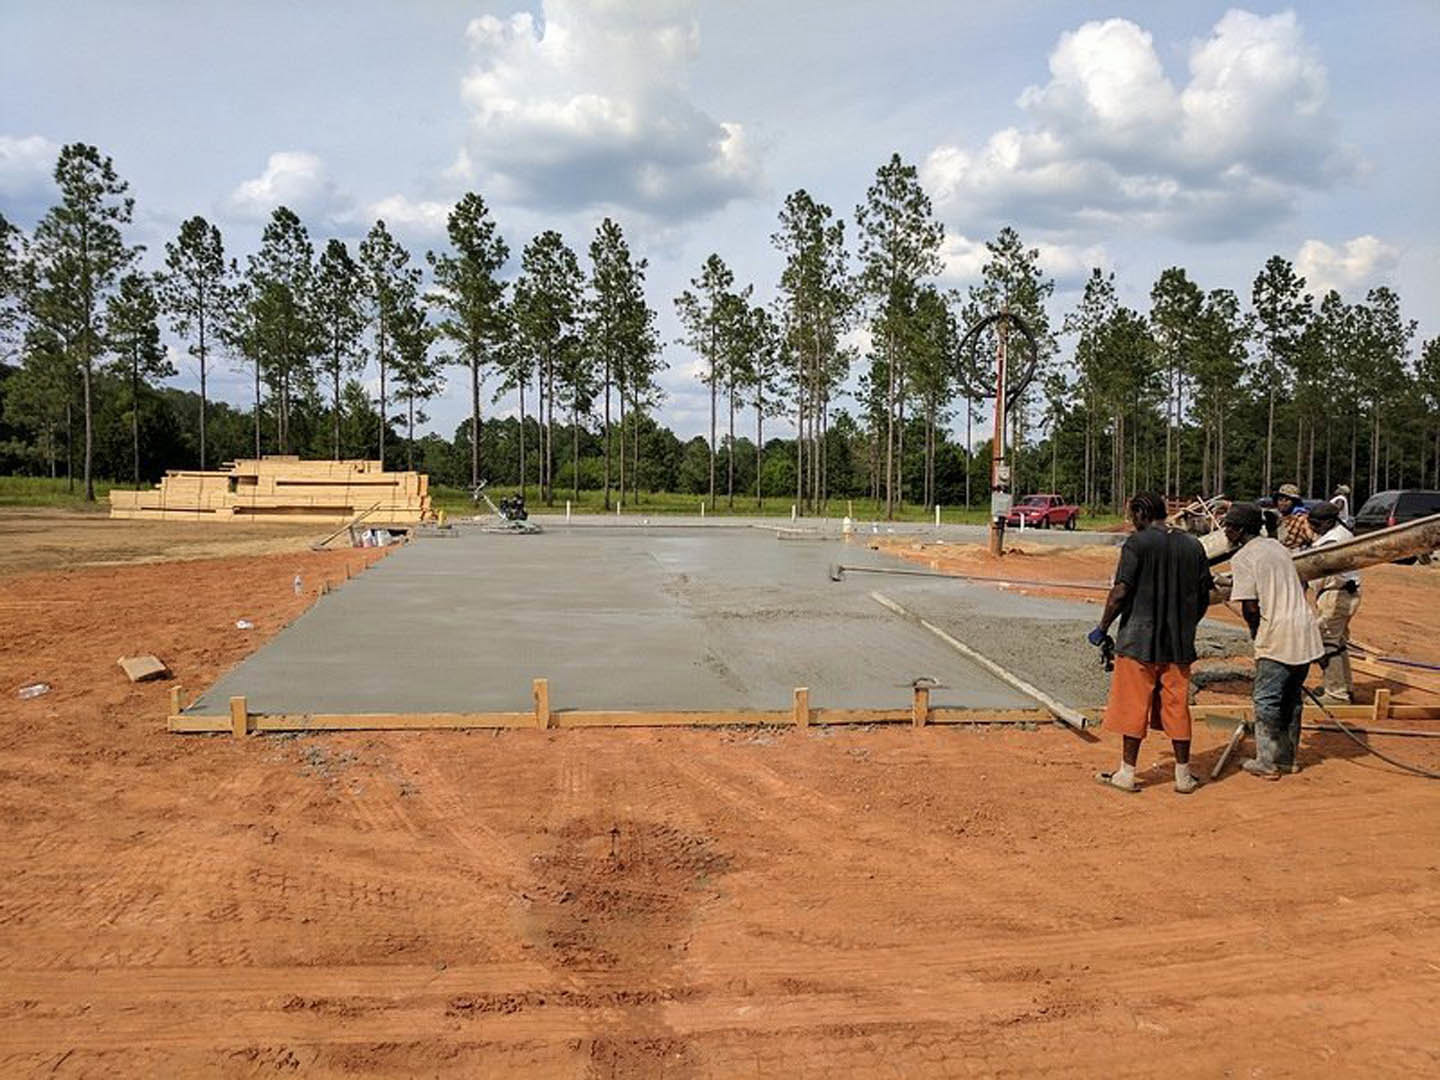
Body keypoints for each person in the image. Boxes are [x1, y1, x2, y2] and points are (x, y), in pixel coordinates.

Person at [1089, 492, 1214, 794]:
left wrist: (1102, 627)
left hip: (1138, 641)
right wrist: (1187, 625)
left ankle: (1127, 774)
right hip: (1178, 645)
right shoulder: (1193, 545)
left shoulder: (1137, 543)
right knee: (1177, 707)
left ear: (1142, 514)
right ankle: (1183, 776)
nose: (1132, 523)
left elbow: (1121, 592)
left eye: (1133, 516)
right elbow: (1204, 596)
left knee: (1133, 706)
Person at [1222, 502, 1324, 779]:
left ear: (1241, 529)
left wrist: (1256, 633)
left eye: (1229, 525)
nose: (1226, 530)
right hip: (1304, 628)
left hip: (1278, 633)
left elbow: (1251, 607)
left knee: (1266, 699)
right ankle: (1287, 759)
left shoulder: (1243, 557)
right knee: (1292, 698)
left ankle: (1266, 762)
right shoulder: (1278, 547)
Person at [1307, 500, 1360, 703]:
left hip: (1337, 594)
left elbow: (1318, 569)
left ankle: (1336, 694)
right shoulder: (1338, 534)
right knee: (1337, 642)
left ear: (1329, 522)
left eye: (1316, 523)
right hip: (1341, 593)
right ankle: (1345, 687)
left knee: (1325, 641)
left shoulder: (1333, 541)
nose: (1313, 527)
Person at [1274, 483, 1315, 550]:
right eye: (1280, 499)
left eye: (1287, 500)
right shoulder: (1279, 519)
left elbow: (1312, 539)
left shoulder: (1301, 518)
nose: (1283, 503)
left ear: (1295, 502)